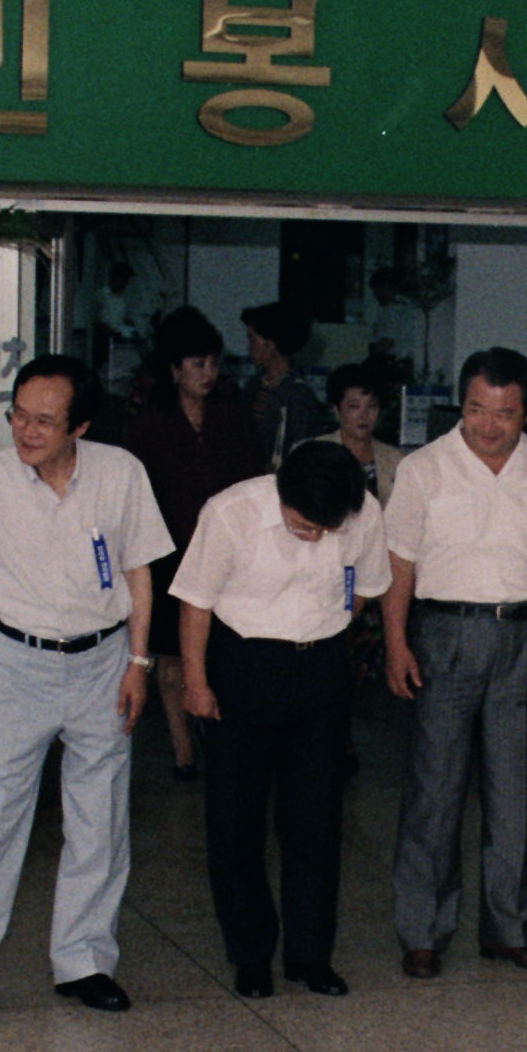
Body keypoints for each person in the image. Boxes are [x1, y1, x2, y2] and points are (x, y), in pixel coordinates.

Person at [0, 353, 172, 1021]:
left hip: (103, 662)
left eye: (43, 421)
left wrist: (138, 666)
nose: (25, 432)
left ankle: (83, 960)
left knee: (98, 817)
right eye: (17, 416)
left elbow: (141, 573)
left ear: (79, 425)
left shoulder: (120, 474)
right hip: (20, 663)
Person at [384, 344, 527, 976]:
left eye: (503, 412)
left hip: (523, 636)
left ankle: (509, 927)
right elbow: (399, 562)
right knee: (435, 787)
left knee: (513, 791)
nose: (487, 424)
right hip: (444, 635)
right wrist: (396, 643)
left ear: (526, 411)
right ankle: (423, 930)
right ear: (463, 404)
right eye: (476, 409)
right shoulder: (425, 469)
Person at [178, 439, 383, 997]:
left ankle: (309, 955)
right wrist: (196, 683)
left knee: (316, 820)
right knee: (236, 822)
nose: (315, 534)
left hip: (320, 669)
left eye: (326, 527)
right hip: (241, 666)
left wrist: (318, 628)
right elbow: (195, 602)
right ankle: (250, 953)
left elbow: (363, 590)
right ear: (280, 490)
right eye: (303, 523)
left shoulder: (362, 511)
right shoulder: (230, 512)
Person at [127, 305, 265, 781]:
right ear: (173, 370)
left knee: (219, 654)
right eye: (197, 364)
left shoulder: (233, 416)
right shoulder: (149, 424)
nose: (208, 373)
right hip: (169, 554)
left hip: (228, 555)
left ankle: (221, 744)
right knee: (170, 661)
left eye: (212, 362)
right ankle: (183, 752)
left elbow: (255, 483)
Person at [243, 299, 334, 462]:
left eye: (252, 340)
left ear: (270, 344)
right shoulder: (253, 386)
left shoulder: (298, 395)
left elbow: (301, 452)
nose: (249, 347)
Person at [326, 362, 405, 505]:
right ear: (336, 410)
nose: (364, 415)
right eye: (354, 406)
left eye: (372, 406)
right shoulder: (312, 453)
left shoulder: (396, 460)